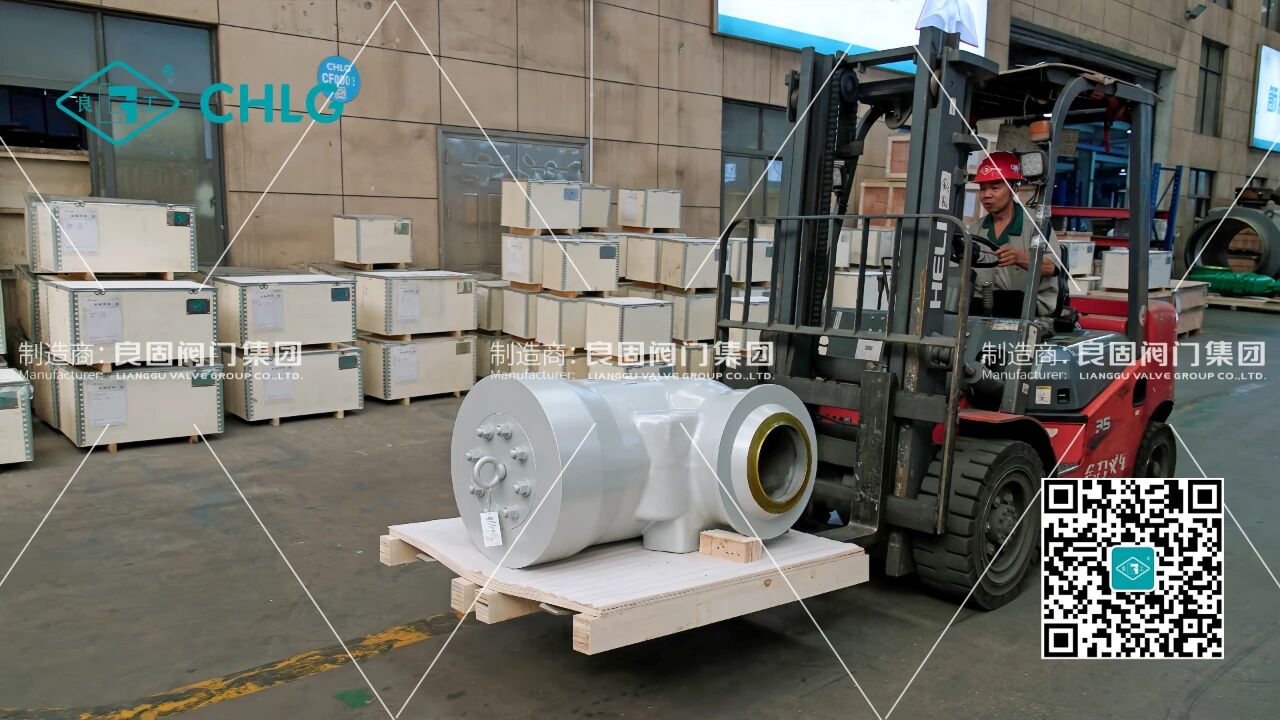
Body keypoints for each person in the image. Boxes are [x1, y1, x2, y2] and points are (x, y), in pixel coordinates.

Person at [967, 151, 1062, 318]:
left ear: (1014, 188)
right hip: (985, 305)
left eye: (995, 187)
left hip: (1029, 305)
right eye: (982, 189)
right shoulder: (974, 229)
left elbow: (1052, 267)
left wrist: (1021, 258)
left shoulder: (1036, 225)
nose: (986, 195)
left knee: (1009, 301)